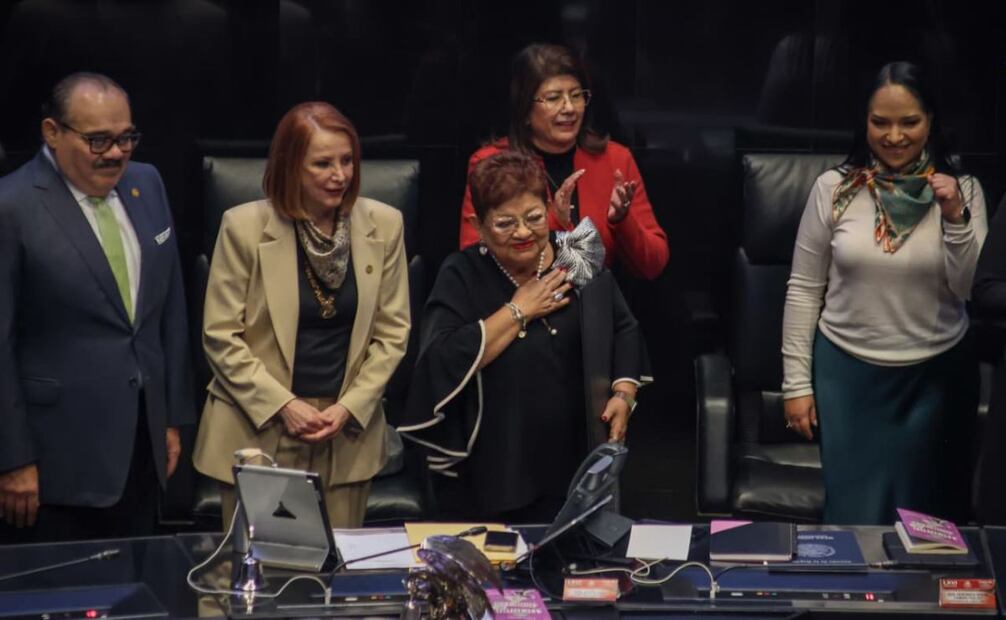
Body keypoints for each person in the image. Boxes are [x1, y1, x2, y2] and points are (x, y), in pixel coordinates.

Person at [781, 61, 987, 525]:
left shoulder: (964, 192)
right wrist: (796, 383)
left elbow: (969, 287)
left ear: (931, 121)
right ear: (864, 122)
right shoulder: (834, 189)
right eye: (881, 122)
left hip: (934, 379)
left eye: (909, 122)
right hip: (847, 377)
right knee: (854, 523)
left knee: (928, 527)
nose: (894, 136)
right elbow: (803, 289)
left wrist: (955, 216)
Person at [192, 102, 410, 529]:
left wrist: (349, 406)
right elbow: (220, 336)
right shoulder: (244, 228)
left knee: (334, 577)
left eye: (347, 161)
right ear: (291, 166)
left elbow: (393, 332)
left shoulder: (384, 224)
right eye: (323, 164)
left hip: (346, 430)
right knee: (263, 578)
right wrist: (284, 405)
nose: (340, 175)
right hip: (258, 426)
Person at [0, 72, 195, 542]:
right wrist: (11, 459)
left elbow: (168, 310)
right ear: (52, 132)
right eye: (99, 140)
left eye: (126, 137)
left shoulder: (146, 184)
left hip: (139, 451)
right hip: (51, 464)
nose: (116, 152)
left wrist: (170, 418)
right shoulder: (11, 207)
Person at [401, 151, 647, 522]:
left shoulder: (574, 252)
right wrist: (519, 310)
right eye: (504, 223)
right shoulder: (463, 271)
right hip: (496, 466)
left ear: (548, 209)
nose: (522, 232)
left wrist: (624, 395)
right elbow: (441, 357)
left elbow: (624, 326)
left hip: (574, 455)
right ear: (479, 225)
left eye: (533, 217)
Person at [458, 43, 668, 280]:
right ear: (525, 110)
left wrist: (622, 221)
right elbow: (474, 262)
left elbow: (653, 264)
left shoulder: (615, 159)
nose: (569, 108)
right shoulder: (491, 164)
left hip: (595, 309)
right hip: (522, 307)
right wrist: (553, 222)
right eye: (554, 98)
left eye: (576, 95)